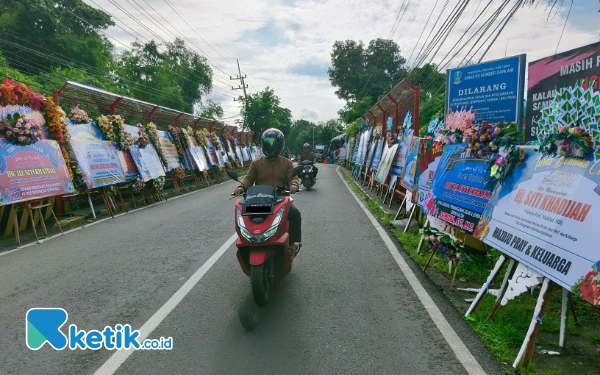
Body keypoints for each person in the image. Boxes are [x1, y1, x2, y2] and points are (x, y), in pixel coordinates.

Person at [235, 128, 302, 248]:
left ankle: (292, 243)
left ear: (280, 144)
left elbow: (293, 177)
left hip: (280, 200)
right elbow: (249, 179)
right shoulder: (256, 163)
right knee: (243, 217)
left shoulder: (287, 163)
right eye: (267, 142)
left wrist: (293, 185)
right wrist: (241, 187)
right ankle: (246, 242)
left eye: (273, 143)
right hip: (259, 201)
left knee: (295, 214)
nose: (270, 146)